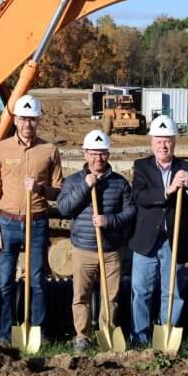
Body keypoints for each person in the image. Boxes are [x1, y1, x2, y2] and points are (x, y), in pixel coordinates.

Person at [0, 94, 63, 345]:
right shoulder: (0, 149)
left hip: (37, 222)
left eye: (32, 119)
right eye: (23, 119)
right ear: (15, 120)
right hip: (7, 222)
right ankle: (5, 334)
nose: (27, 124)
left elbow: (58, 191)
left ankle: (38, 330)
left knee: (37, 280)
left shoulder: (49, 151)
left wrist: (40, 188)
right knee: (5, 280)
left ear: (38, 121)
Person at [128, 115, 188, 346]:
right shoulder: (141, 167)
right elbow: (139, 196)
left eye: (168, 141)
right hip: (146, 240)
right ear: (152, 142)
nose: (163, 146)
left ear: (174, 142)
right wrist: (167, 191)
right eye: (159, 141)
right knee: (140, 290)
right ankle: (140, 338)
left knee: (173, 291)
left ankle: (168, 335)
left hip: (175, 239)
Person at [57, 130, 135, 353]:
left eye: (102, 154)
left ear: (108, 154)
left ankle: (106, 332)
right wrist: (85, 186)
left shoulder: (119, 183)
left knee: (110, 297)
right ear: (85, 154)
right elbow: (63, 208)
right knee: (81, 296)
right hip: (83, 249)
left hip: (111, 250)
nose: (97, 158)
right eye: (93, 153)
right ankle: (82, 336)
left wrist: (108, 220)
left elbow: (130, 212)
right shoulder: (73, 181)